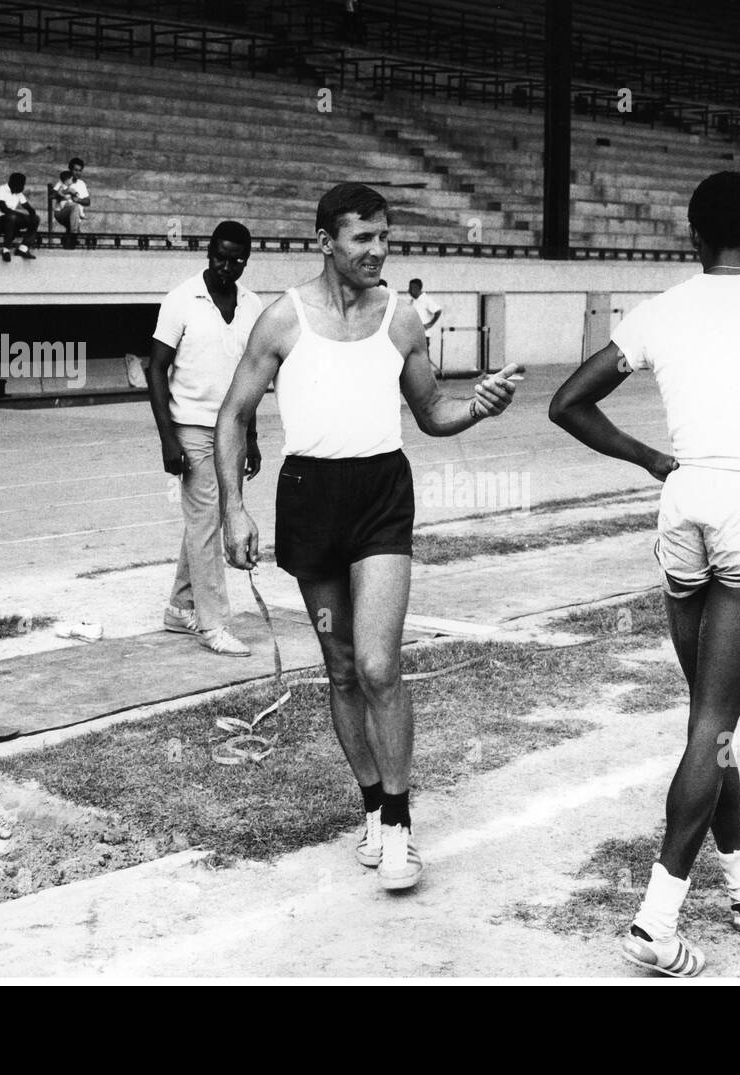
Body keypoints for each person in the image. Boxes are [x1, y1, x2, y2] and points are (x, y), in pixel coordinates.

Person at [549, 172, 740, 978]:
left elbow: (567, 403)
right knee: (712, 725)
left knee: (707, 719)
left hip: (684, 498)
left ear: (692, 236)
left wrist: (652, 457)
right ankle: (656, 920)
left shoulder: (662, 307)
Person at [215, 182, 522, 893]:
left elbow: (433, 411)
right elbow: (232, 416)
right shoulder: (282, 319)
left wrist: (479, 405)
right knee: (343, 665)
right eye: (363, 239)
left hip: (382, 496)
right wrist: (234, 508)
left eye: (385, 237)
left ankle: (400, 822)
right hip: (309, 501)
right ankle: (371, 807)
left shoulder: (402, 317)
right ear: (324, 241)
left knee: (381, 663)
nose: (378, 251)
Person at [149, 220, 265, 658]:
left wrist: (251, 437)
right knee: (206, 521)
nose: (226, 266)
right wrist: (167, 438)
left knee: (209, 518)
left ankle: (181, 608)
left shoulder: (253, 306)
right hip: (191, 428)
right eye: (220, 256)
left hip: (231, 430)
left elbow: (250, 378)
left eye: (236, 260)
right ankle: (214, 624)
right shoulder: (181, 300)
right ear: (208, 252)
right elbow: (155, 369)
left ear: (246, 261)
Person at [0, 172, 39, 261]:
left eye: (23, 185)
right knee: (11, 217)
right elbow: (4, 209)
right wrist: (22, 216)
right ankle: (6, 250)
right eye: (20, 185)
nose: (22, 188)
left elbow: (28, 208)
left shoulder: (18, 192)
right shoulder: (1, 190)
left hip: (11, 221)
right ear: (12, 183)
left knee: (35, 219)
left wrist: (32, 215)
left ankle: (23, 248)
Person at [50, 157, 90, 249]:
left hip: (76, 216)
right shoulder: (63, 181)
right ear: (70, 169)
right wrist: (65, 191)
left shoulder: (82, 184)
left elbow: (88, 202)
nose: (78, 173)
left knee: (75, 208)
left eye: (80, 170)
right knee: (74, 207)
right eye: (75, 170)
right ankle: (74, 237)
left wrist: (79, 200)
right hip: (61, 212)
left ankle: (69, 238)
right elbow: (51, 196)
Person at [407, 277, 443, 359]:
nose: (408, 291)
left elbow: (438, 311)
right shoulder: (412, 301)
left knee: (423, 358)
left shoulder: (426, 299)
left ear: (416, 288)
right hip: (413, 335)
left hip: (423, 335)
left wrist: (429, 324)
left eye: (410, 288)